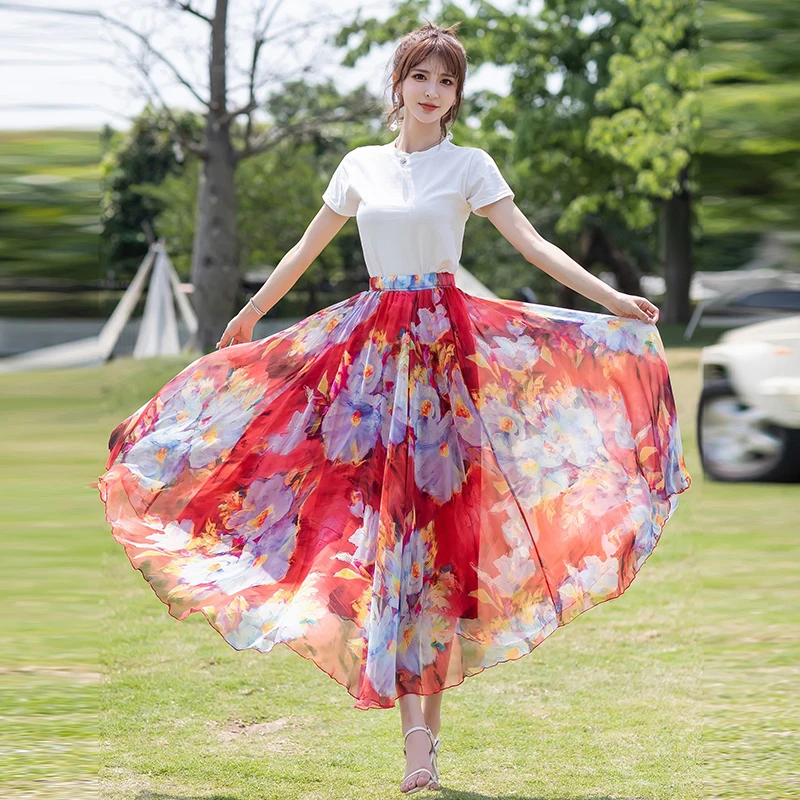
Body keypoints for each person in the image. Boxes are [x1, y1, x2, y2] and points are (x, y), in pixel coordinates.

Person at [98, 20, 692, 796]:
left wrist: (612, 299)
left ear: (455, 96)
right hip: (372, 366)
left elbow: (533, 246)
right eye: (423, 77)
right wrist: (252, 313)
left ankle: (423, 748)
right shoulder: (360, 167)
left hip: (446, 365)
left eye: (447, 82)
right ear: (400, 84)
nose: (433, 93)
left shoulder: (470, 166)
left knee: (436, 551)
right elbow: (304, 249)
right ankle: (416, 740)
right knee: (382, 547)